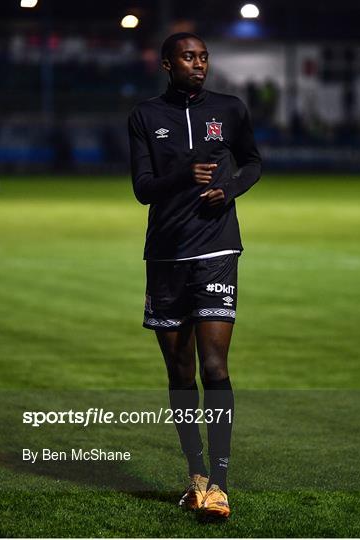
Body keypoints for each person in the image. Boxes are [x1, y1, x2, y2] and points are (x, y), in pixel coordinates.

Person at [128, 32, 262, 518]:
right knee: (180, 372)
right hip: (166, 255)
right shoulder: (145, 117)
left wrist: (228, 190)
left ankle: (221, 485)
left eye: (204, 57)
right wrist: (186, 175)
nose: (199, 64)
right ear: (167, 64)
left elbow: (252, 162)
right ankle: (197, 478)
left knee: (214, 366)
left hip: (217, 249)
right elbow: (143, 189)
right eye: (188, 57)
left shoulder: (230, 108)